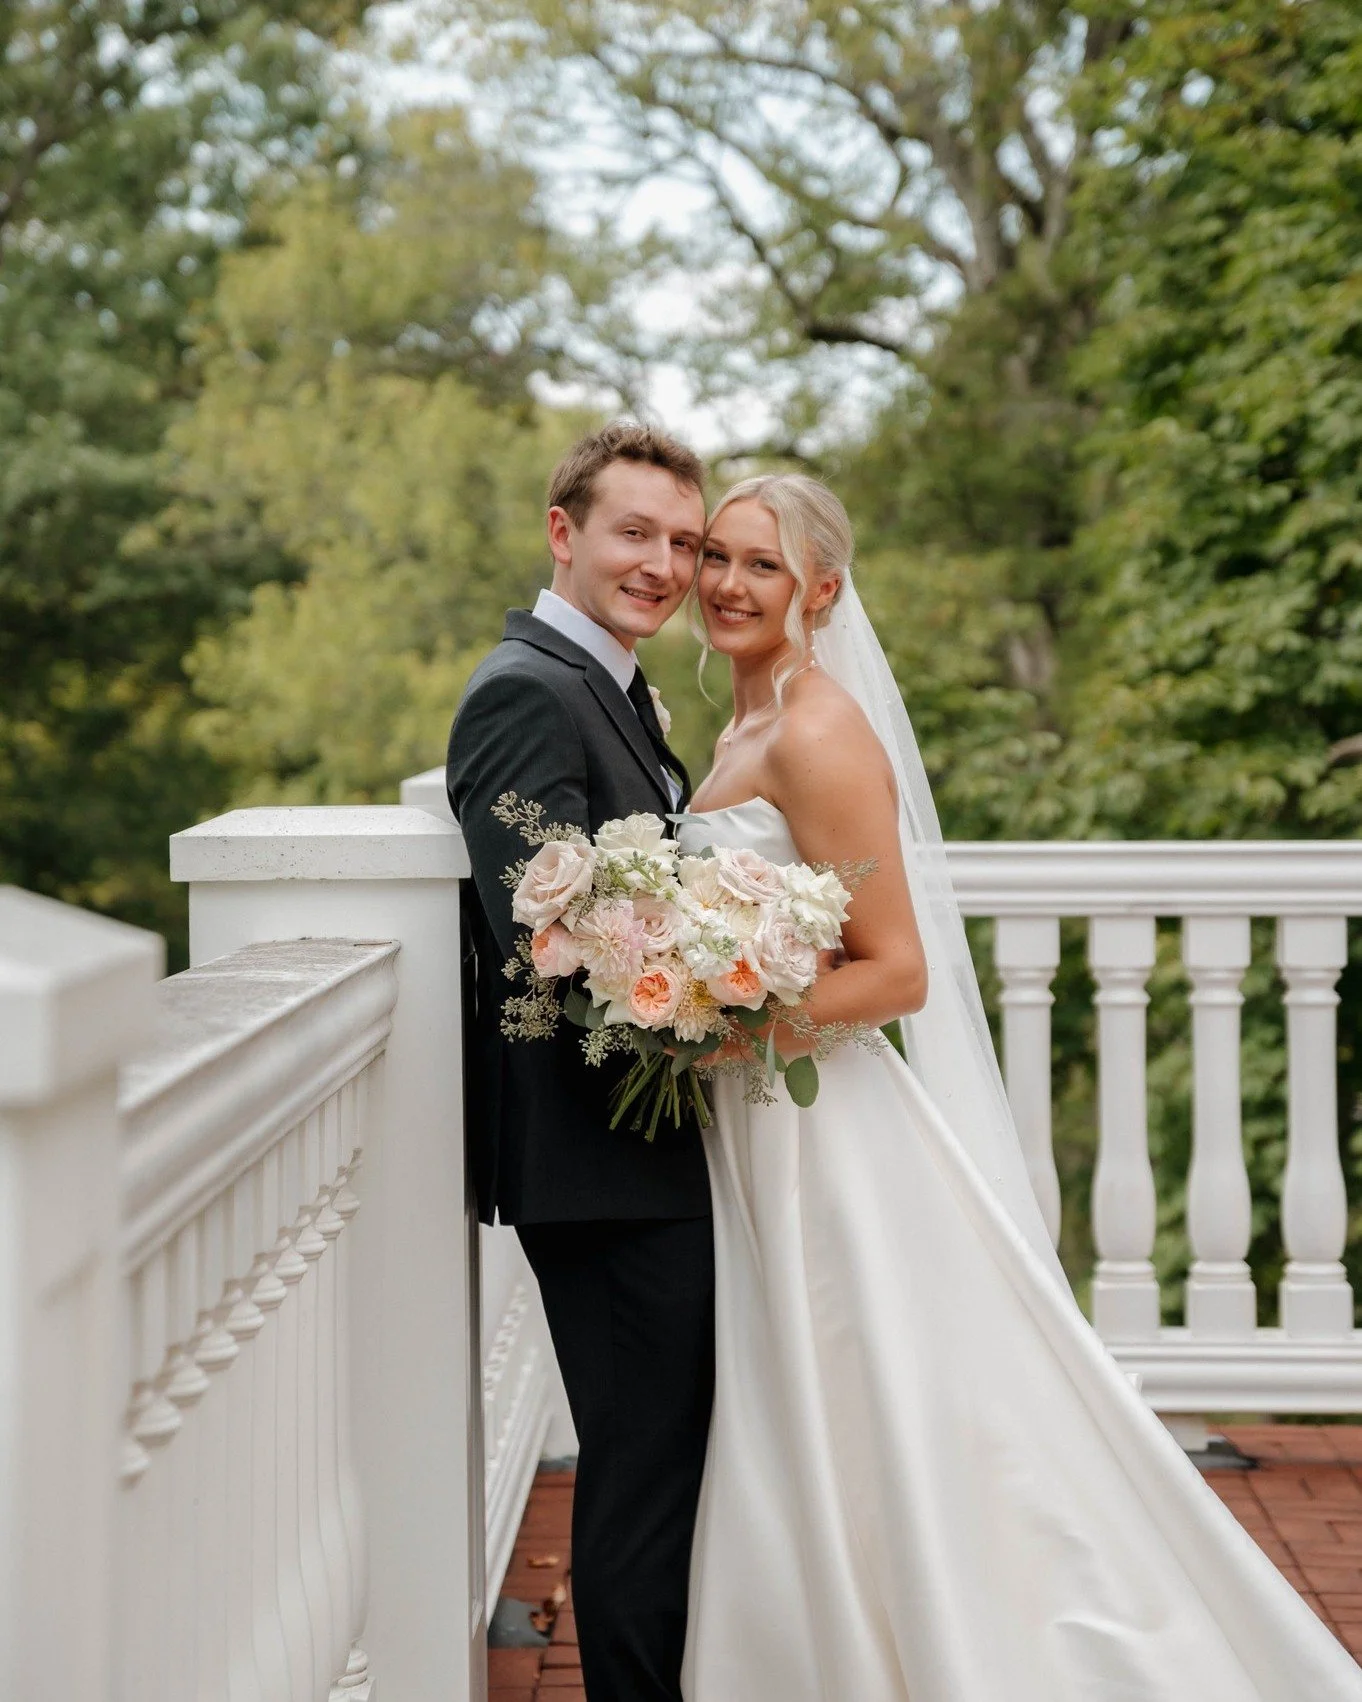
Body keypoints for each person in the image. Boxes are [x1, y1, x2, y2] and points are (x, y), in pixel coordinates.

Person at [676, 472, 1362, 1701]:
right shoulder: (736, 727)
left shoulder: (817, 727)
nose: (728, 583)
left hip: (819, 1136)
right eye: (717, 555)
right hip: (754, 1124)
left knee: (874, 1406)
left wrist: (722, 1028)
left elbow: (898, 972)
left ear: (821, 591)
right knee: (805, 1419)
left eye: (762, 565)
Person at [447, 423, 714, 1702]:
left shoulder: (611, 684)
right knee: (641, 1476)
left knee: (662, 1459)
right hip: (592, 1156)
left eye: (683, 540)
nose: (663, 564)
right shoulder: (523, 689)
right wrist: (737, 969)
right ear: (564, 530)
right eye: (635, 533)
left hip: (642, 1147)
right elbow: (544, 922)